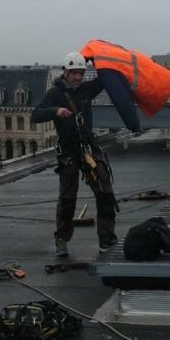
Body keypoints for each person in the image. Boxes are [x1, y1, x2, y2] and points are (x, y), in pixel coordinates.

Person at [32, 52, 139, 257]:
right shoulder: (55, 94)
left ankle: (106, 238)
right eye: (74, 73)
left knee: (105, 192)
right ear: (65, 73)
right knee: (68, 198)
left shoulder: (86, 90)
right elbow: (36, 114)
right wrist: (56, 111)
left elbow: (106, 79)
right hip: (69, 152)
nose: (79, 78)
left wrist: (103, 60)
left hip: (88, 149)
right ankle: (62, 240)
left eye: (81, 73)